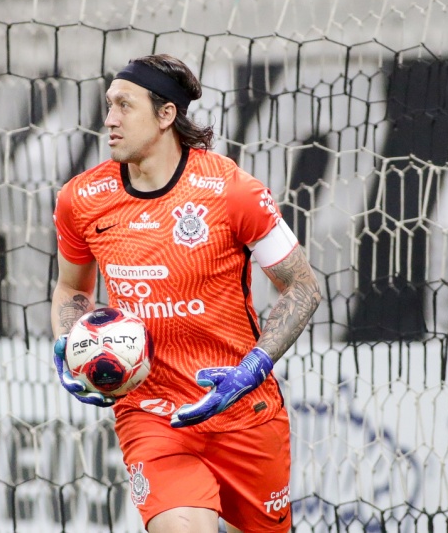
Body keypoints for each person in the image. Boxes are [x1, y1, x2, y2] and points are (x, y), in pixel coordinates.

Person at [50, 54, 322, 533]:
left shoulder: (231, 190)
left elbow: (303, 286)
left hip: (246, 413)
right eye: (108, 105)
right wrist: (69, 343)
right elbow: (72, 288)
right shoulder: (81, 199)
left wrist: (252, 367)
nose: (109, 118)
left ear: (166, 115)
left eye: (124, 106)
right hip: (151, 415)